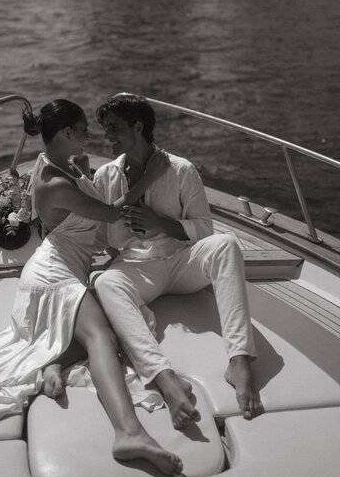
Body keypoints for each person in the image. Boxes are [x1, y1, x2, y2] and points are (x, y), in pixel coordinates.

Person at [0, 99, 183, 476]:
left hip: (62, 269)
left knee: (109, 333)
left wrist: (83, 171)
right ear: (67, 133)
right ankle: (128, 432)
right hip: (53, 274)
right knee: (103, 337)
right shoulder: (54, 182)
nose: (92, 134)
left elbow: (84, 212)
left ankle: (54, 364)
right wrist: (150, 176)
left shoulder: (52, 164)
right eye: (85, 128)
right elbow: (111, 213)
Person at [93, 94, 264, 426]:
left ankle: (240, 360)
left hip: (182, 261)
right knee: (106, 282)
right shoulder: (105, 177)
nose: (107, 137)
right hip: (138, 269)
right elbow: (101, 237)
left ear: (138, 126)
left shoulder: (181, 169)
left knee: (226, 244)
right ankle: (163, 377)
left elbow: (204, 229)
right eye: (105, 129)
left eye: (113, 128)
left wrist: (158, 223)